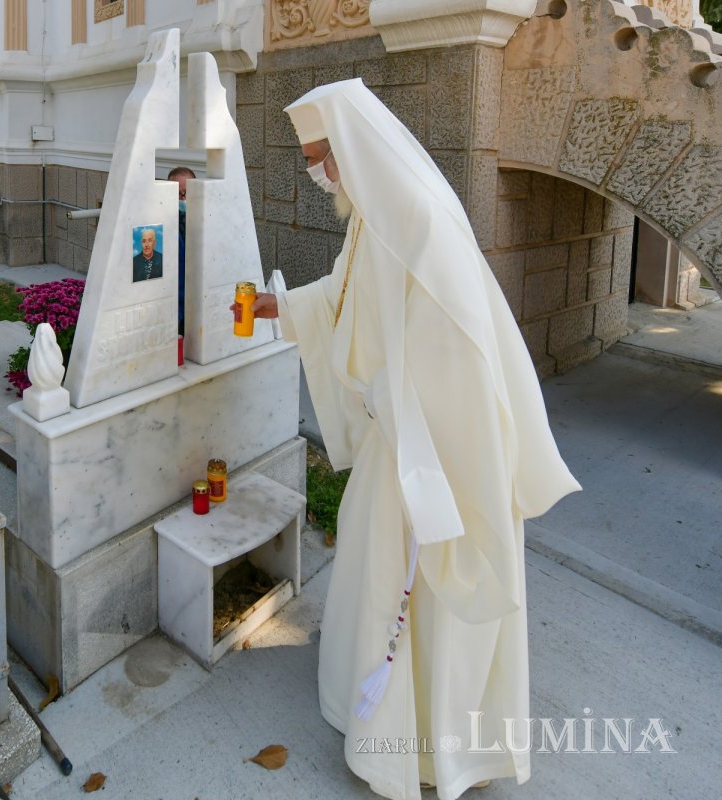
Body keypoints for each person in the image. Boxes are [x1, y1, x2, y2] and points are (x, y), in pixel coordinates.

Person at [241, 80, 581, 800]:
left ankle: (433, 755)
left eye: (319, 161)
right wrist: (285, 306)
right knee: (373, 568)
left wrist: (379, 397)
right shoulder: (370, 216)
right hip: (396, 440)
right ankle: (377, 717)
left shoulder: (420, 219)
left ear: (353, 151)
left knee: (424, 593)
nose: (317, 176)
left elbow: (456, 353)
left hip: (440, 453)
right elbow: (346, 293)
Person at [168, 167, 196, 335]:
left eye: (186, 193)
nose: (182, 198)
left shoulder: (206, 218)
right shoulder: (162, 222)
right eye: (178, 193)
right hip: (174, 306)